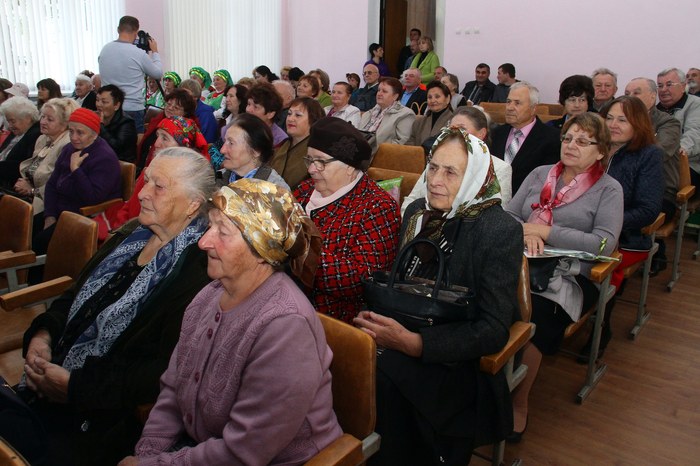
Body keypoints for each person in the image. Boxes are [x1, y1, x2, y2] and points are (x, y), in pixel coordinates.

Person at [122, 178, 341, 466]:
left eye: (222, 232)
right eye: (210, 226)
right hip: (205, 449)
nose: (203, 242)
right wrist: (147, 453)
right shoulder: (208, 296)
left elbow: (244, 451)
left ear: (262, 250)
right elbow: (174, 390)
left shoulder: (285, 327)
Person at [20, 147, 215, 465]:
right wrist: (44, 334)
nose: (143, 193)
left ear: (193, 204)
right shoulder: (131, 234)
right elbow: (75, 294)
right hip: (53, 375)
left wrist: (75, 387)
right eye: (146, 180)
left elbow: (165, 370)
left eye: (158, 186)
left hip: (101, 421)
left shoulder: (200, 273)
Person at [354, 126, 522, 465]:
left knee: (380, 381)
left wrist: (416, 344)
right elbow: (401, 285)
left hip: (455, 359)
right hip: (403, 331)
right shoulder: (418, 211)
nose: (434, 180)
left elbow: (492, 329)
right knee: (352, 362)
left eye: (450, 172)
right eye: (432, 168)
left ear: (475, 177)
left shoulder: (499, 229)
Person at [505, 112, 623, 443]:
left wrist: (546, 232)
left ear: (601, 151)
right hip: (520, 261)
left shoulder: (608, 189)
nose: (571, 145)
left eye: (583, 141)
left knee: (535, 317)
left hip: (569, 274)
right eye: (568, 138)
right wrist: (526, 232)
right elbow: (509, 214)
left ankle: (518, 401)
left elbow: (604, 243)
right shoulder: (540, 173)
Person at [576, 97, 664, 360]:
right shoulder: (592, 146)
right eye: (609, 118)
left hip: (627, 237)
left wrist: (606, 223)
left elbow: (648, 210)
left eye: (622, 120)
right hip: (581, 227)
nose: (613, 124)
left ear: (638, 124)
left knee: (601, 264)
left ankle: (601, 327)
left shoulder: (648, 155)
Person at [294, 117, 400, 322]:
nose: (311, 169)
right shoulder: (305, 190)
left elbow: (363, 279)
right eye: (309, 160)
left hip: (330, 318)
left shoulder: (378, 207)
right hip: (287, 300)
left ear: (350, 167)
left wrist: (297, 252)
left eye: (321, 162)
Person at [33, 108, 122, 256]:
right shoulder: (69, 148)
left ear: (94, 134)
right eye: (71, 131)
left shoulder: (105, 157)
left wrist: (76, 169)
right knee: (24, 229)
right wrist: (50, 215)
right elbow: (52, 184)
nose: (74, 137)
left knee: (39, 243)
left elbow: (92, 198)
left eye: (80, 133)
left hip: (83, 216)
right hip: (60, 211)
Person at [107, 115, 209, 233]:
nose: (156, 143)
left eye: (165, 138)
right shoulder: (150, 171)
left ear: (183, 148)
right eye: (157, 136)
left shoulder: (186, 188)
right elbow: (130, 207)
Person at [402, 106, 513, 211]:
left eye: (461, 129)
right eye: (450, 129)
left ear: (481, 134)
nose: (453, 134)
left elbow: (498, 214)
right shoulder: (438, 160)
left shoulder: (500, 169)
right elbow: (412, 199)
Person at [625, 77, 681, 275]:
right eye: (627, 94)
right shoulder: (619, 121)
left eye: (637, 93)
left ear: (652, 96)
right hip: (624, 187)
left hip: (660, 190)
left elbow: (659, 153)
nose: (631, 98)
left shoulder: (668, 123)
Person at [489, 82, 561, 194]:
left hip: (527, 199)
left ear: (533, 108)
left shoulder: (551, 139)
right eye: (508, 102)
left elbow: (545, 181)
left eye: (517, 103)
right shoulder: (498, 133)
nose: (510, 108)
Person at [99, 15, 163, 135]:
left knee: (111, 142)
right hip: (132, 107)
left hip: (109, 107)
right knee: (134, 144)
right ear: (136, 32)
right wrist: (155, 52)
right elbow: (157, 73)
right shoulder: (138, 53)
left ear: (118, 30)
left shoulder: (105, 50)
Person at [13, 98, 78, 214]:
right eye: (42, 117)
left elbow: (59, 184)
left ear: (65, 124)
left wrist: (32, 190)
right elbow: (33, 168)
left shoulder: (67, 145)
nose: (43, 122)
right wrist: (25, 182)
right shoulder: (43, 138)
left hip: (50, 205)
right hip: (30, 198)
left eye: (50, 119)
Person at [217, 113, 289, 190]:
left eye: (231, 143)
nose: (222, 150)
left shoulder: (276, 191)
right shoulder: (219, 176)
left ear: (256, 151)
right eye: (225, 141)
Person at [656, 67, 700, 189]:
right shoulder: (655, 110)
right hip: (657, 161)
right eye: (660, 86)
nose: (663, 90)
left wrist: (674, 153)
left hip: (688, 164)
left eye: (669, 84)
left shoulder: (696, 104)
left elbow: (694, 134)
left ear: (683, 86)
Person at [136, 88, 197, 174]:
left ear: (185, 113)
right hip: (142, 168)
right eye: (168, 104)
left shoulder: (187, 130)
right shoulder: (158, 120)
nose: (170, 108)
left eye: (176, 107)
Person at [269, 96, 325, 190]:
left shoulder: (316, 152)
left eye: (298, 115)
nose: (290, 119)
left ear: (313, 120)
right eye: (289, 114)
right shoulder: (283, 145)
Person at [359, 77, 416, 154]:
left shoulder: (405, 114)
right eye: (379, 90)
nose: (379, 94)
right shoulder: (369, 113)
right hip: (360, 153)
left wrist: (375, 152)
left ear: (395, 96)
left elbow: (401, 143)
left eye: (384, 91)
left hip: (382, 156)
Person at [0, 96, 41, 189]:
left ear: (28, 118)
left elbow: (26, 165)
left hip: (12, 186)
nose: (10, 126)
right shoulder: (17, 132)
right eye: (8, 121)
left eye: (12, 121)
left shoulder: (36, 135)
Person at [96, 84, 138, 162]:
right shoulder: (97, 117)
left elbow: (116, 148)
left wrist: (101, 126)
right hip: (101, 158)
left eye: (104, 102)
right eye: (97, 100)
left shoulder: (127, 123)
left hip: (119, 163)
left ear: (116, 105)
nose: (98, 104)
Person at [406, 80, 453, 148]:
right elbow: (409, 143)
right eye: (430, 97)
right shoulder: (419, 122)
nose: (433, 100)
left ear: (447, 99)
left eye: (437, 97)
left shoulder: (454, 123)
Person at [246, 82, 288, 148]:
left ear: (271, 114)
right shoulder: (243, 127)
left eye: (256, 107)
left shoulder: (280, 141)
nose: (248, 110)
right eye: (248, 104)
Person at [179, 79, 218, 143]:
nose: (180, 97)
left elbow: (207, 142)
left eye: (185, 95)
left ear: (195, 97)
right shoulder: (183, 109)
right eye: (179, 94)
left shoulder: (206, 114)